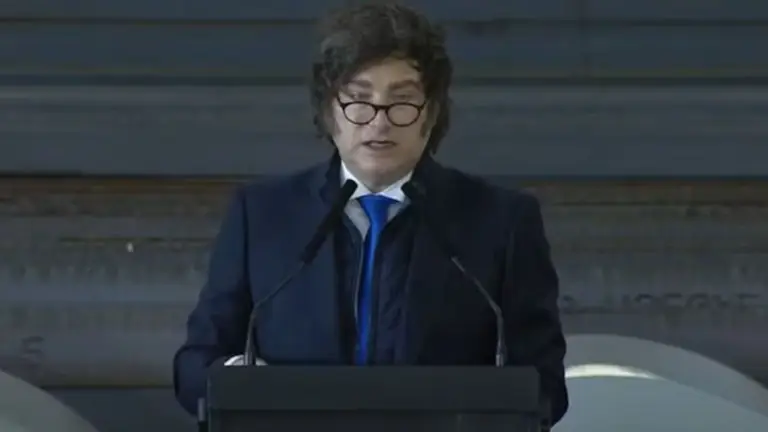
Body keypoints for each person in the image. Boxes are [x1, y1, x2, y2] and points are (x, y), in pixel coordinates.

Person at [173, 2, 568, 424]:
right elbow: (195, 365)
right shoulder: (262, 214)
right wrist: (245, 383)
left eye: (402, 101)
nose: (379, 123)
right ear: (329, 111)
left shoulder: (503, 221)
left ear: (432, 113)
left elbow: (544, 386)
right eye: (359, 100)